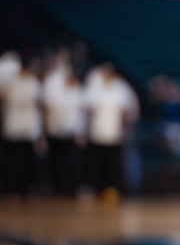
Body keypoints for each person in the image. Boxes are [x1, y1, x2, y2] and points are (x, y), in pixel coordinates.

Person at [84, 64, 139, 200]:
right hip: (97, 133)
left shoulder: (120, 87)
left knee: (113, 166)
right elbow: (86, 110)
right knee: (95, 164)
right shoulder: (94, 86)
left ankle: (113, 189)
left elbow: (131, 112)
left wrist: (127, 129)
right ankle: (94, 189)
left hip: (114, 134)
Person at [43, 56, 85, 196]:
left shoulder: (74, 84)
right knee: (55, 161)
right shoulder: (52, 80)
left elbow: (79, 109)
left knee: (69, 162)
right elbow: (47, 106)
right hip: (56, 129)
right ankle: (56, 188)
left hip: (69, 130)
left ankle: (69, 188)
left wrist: (80, 130)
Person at [2, 58, 42, 196]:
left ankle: (20, 189)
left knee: (22, 161)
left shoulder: (29, 83)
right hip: (17, 127)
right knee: (15, 161)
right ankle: (15, 188)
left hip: (25, 127)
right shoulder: (18, 83)